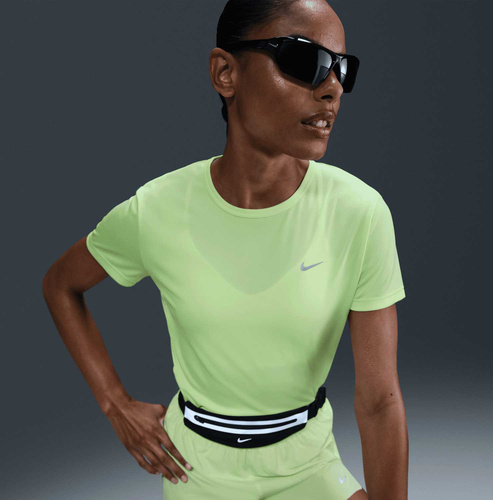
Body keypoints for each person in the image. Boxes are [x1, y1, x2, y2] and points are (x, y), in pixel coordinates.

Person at [42, 0, 409, 498]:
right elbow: (61, 285)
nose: (332, 88)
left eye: (342, 69)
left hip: (308, 464)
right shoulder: (158, 208)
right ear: (225, 73)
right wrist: (114, 403)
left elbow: (380, 403)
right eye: (305, 60)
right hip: (194, 470)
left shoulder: (359, 212)